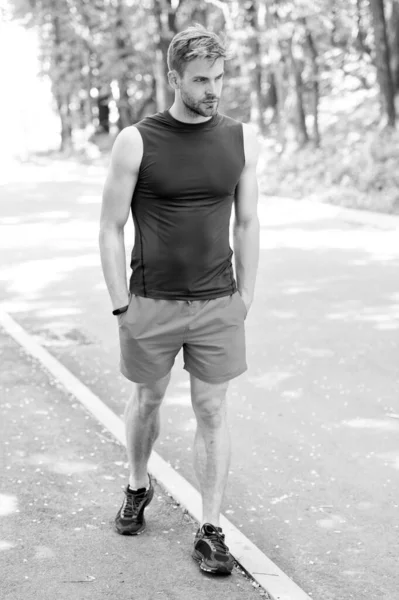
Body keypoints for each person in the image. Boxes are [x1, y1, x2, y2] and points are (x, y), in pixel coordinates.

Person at [99, 24, 259, 576]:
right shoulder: (136, 140)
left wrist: (248, 295)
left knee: (212, 410)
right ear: (174, 78)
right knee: (148, 399)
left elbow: (249, 220)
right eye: (200, 80)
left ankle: (210, 529)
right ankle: (138, 483)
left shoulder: (241, 138)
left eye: (218, 77)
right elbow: (110, 227)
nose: (213, 89)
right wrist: (122, 306)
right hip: (151, 301)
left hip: (218, 302)